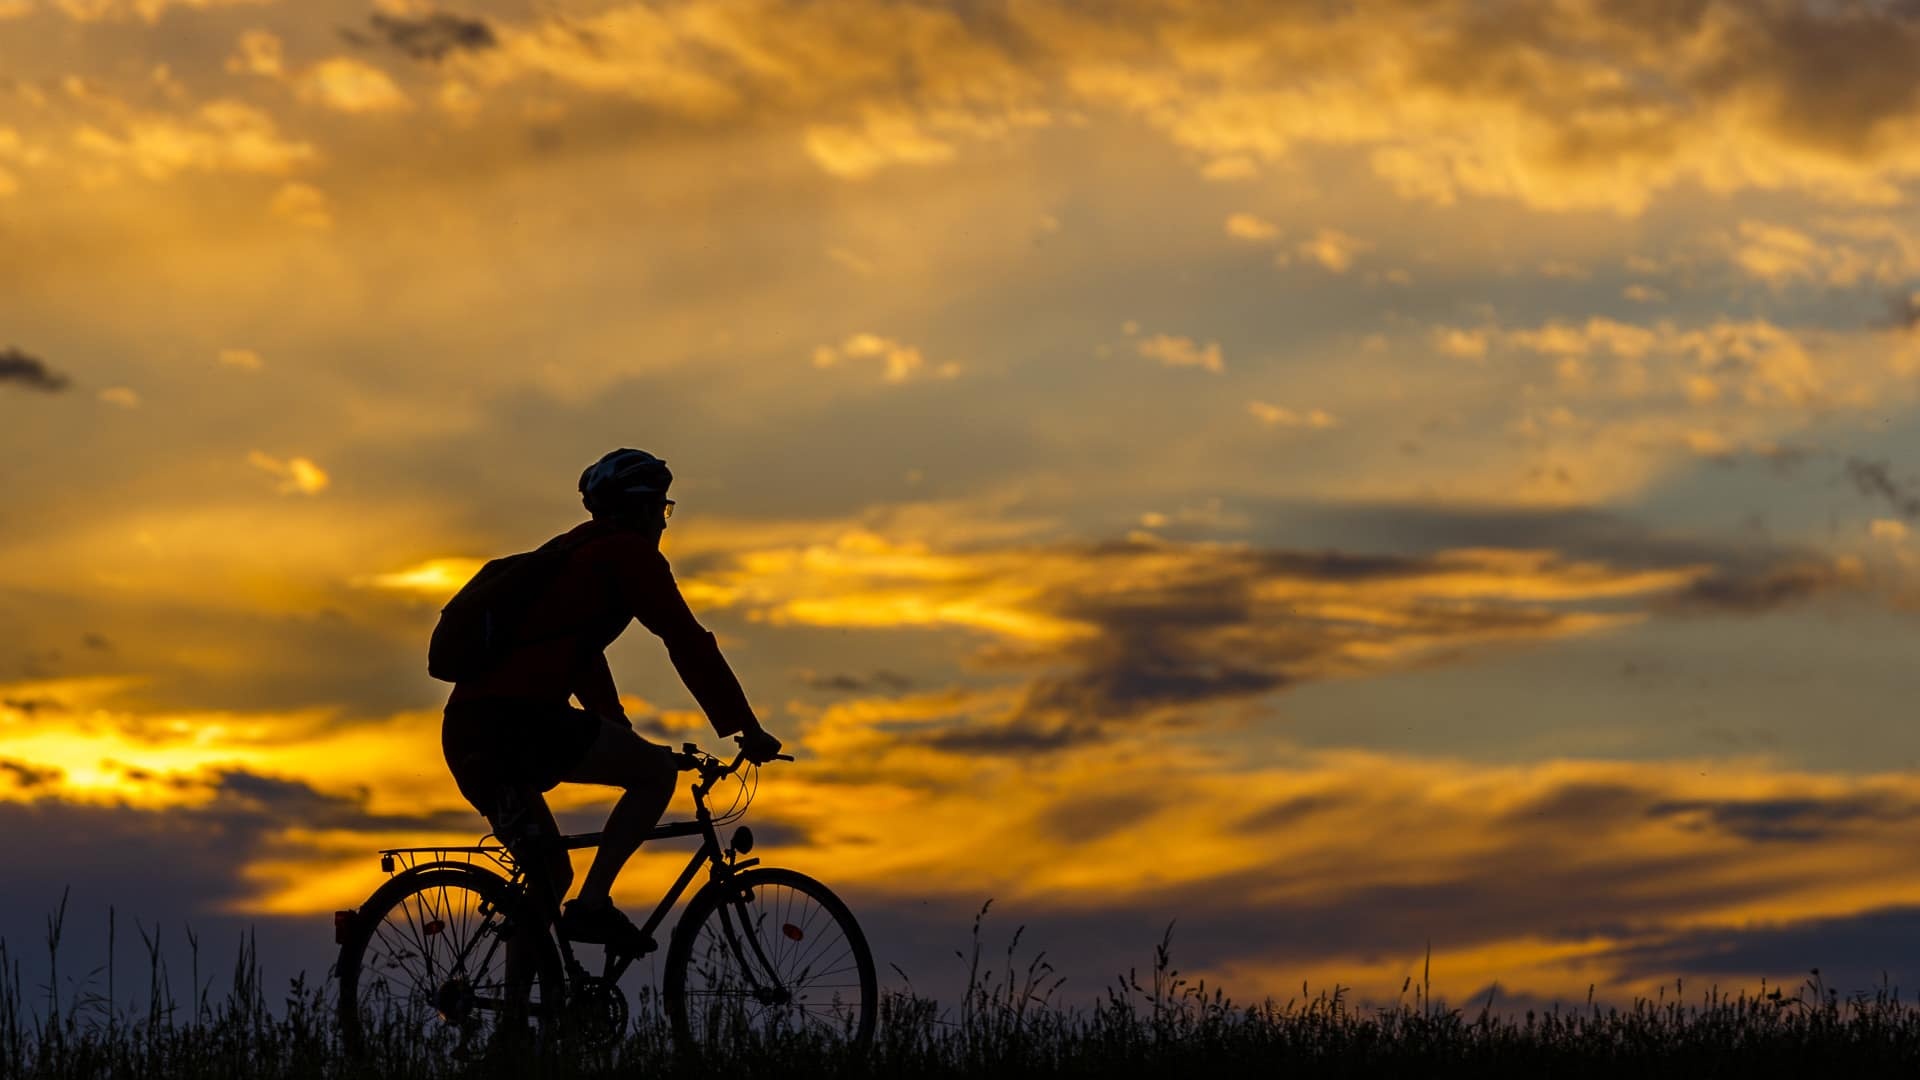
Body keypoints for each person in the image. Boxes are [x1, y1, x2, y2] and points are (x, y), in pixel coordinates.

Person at [441, 447, 782, 953]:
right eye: (663, 509)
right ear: (643, 509)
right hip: (520, 721)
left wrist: (617, 729)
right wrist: (744, 727)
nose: (664, 523)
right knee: (655, 775)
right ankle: (594, 905)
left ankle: (513, 1023)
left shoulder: (568, 556)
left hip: (468, 728)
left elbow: (577, 656)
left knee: (549, 876)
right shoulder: (628, 554)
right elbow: (685, 640)